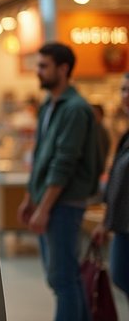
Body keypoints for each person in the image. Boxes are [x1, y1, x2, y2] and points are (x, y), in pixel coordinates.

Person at [17, 42, 100, 321]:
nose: (38, 72)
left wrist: (44, 208)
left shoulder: (75, 109)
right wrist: (31, 199)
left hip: (64, 203)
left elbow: (64, 162)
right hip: (50, 202)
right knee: (64, 278)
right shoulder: (49, 106)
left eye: (43, 66)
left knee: (62, 279)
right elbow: (41, 156)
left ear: (63, 69)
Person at [92, 72, 129, 302]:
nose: (126, 95)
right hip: (122, 225)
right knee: (121, 278)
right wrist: (106, 222)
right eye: (124, 89)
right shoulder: (125, 135)